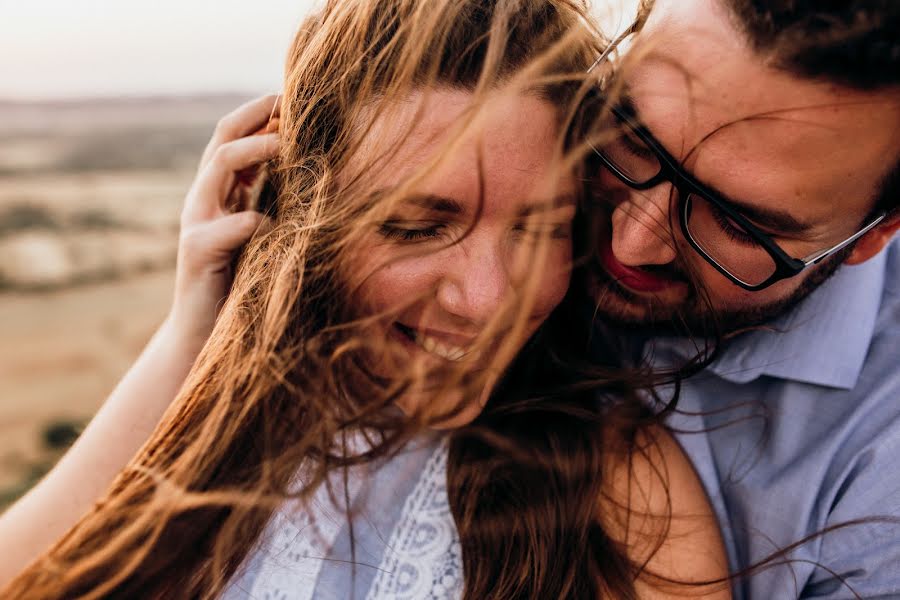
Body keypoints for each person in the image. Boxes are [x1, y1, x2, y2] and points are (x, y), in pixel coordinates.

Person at [0, 1, 730, 598]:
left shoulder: (619, 489)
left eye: (541, 228)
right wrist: (195, 332)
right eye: (417, 227)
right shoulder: (226, 430)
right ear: (307, 217)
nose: (486, 300)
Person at [588, 0, 900, 597]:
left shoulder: (882, 482)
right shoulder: (518, 100)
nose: (631, 244)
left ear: (875, 234)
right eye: (632, 138)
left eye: (735, 224)